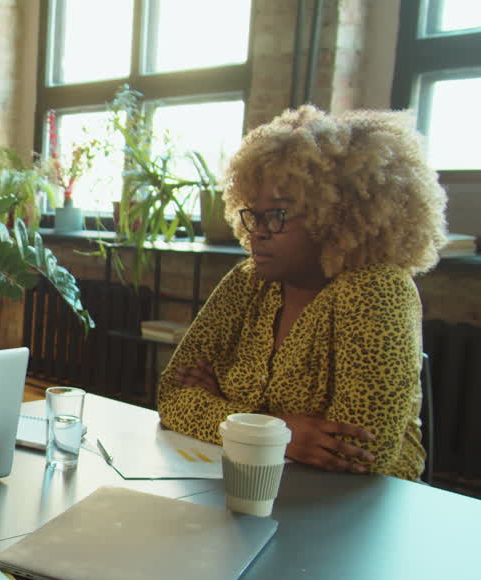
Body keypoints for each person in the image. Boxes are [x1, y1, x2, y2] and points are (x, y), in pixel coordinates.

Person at [157, 105, 446, 481]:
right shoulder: (247, 282)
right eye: (252, 214)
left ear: (337, 217)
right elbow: (172, 396)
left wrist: (225, 410)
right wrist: (283, 431)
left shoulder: (375, 290)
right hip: (253, 484)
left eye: (277, 215)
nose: (258, 231)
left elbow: (359, 453)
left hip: (364, 507)